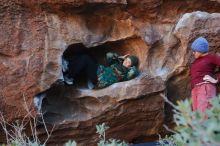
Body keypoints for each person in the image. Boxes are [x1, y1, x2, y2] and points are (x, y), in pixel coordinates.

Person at [62, 52, 139, 89]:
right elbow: (108, 55)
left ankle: (69, 76)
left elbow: (134, 73)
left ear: (131, 66)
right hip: (98, 72)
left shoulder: (126, 73)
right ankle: (68, 64)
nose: (126, 62)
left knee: (86, 59)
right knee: (90, 56)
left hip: (99, 80)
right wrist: (120, 57)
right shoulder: (118, 63)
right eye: (126, 59)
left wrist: (131, 69)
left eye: (129, 62)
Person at [190, 36, 220, 112]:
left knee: (203, 117)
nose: (193, 52)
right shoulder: (196, 61)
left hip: (205, 88)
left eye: (194, 50)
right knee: (196, 119)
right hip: (195, 90)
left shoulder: (211, 58)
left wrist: (216, 80)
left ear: (201, 50)